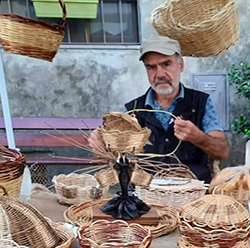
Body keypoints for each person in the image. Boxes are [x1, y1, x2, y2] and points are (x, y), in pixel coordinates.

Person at [91, 37, 230, 183]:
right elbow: (109, 157)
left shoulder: (200, 102)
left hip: (194, 193)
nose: (160, 74)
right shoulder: (132, 111)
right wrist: (101, 146)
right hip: (145, 194)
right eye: (151, 67)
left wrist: (198, 137)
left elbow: (222, 152)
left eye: (166, 64)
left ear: (181, 64)